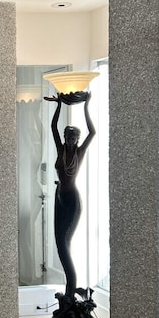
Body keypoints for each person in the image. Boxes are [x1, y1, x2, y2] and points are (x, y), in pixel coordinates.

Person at [44, 91, 96, 298]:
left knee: (64, 245)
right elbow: (53, 127)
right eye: (68, 137)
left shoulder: (79, 152)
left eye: (74, 137)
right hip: (59, 198)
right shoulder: (61, 150)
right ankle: (71, 291)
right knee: (59, 242)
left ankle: (71, 291)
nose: (71, 140)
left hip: (73, 201)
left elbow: (93, 132)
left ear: (77, 139)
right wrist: (58, 105)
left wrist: (86, 105)